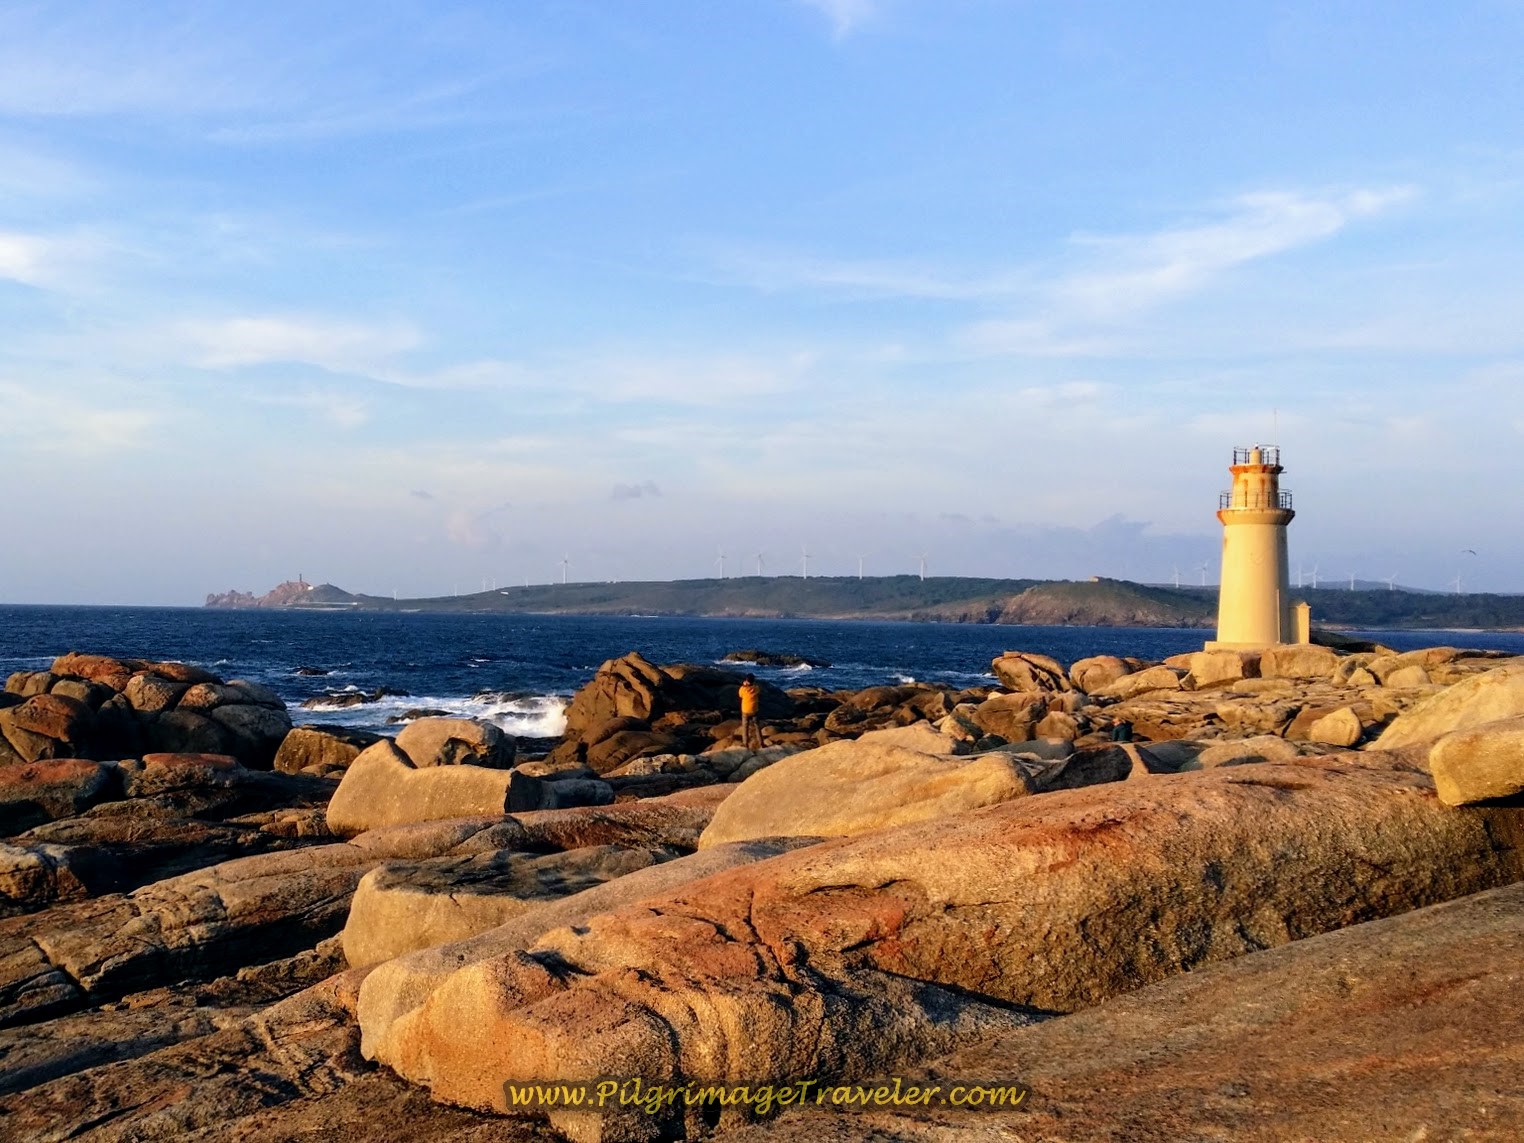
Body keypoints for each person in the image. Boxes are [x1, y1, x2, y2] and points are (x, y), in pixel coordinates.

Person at [738, 673, 763, 751]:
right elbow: (759, 691)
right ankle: (761, 743)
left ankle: (745, 744)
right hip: (754, 710)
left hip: (745, 711)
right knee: (757, 727)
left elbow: (740, 695)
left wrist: (744, 686)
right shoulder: (756, 688)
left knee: (745, 727)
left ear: (746, 681)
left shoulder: (743, 689)